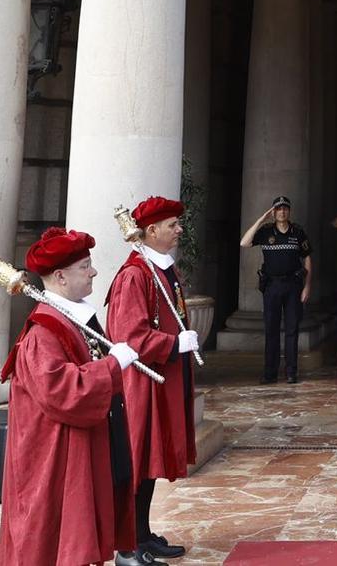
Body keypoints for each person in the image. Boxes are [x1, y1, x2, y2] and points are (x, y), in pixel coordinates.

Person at [0, 226, 149, 566]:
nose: (94, 271)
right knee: (57, 539)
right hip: (54, 455)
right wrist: (112, 366)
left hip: (80, 443)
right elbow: (62, 391)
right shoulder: (44, 331)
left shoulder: (74, 318)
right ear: (61, 276)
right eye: (85, 266)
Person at [106, 197, 200, 562]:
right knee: (137, 463)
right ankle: (126, 544)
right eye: (173, 224)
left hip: (164, 378)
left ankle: (142, 533)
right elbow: (129, 334)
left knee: (149, 466)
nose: (179, 230)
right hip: (144, 383)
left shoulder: (162, 270)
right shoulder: (134, 275)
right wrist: (173, 343)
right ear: (151, 231)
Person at [241, 196, 311, 384]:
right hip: (272, 286)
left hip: (293, 285)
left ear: (289, 211)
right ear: (273, 212)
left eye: (285, 209)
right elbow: (244, 243)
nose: (282, 212)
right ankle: (270, 373)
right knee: (271, 330)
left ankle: (291, 372)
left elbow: (307, 258)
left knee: (292, 330)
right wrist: (260, 220)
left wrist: (307, 286)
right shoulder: (265, 232)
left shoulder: (298, 232)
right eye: (278, 209)